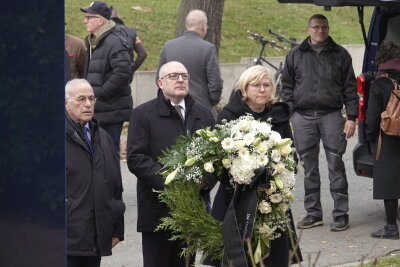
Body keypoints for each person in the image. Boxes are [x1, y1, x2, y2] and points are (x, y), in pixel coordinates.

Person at [207, 65, 302, 266]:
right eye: (256, 85)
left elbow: (291, 155)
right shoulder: (229, 116)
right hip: (235, 198)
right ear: (244, 89)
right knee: (236, 256)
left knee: (273, 257)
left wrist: (280, 174)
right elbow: (218, 161)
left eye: (266, 85)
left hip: (271, 197)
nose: (262, 89)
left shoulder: (279, 116)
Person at [126, 61, 215, 267]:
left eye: (184, 76)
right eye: (173, 76)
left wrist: (204, 181)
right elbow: (136, 158)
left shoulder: (204, 114)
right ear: (160, 83)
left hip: (193, 208)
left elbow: (216, 158)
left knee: (186, 263)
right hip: (157, 209)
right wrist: (172, 182)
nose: (181, 80)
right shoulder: (143, 114)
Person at [281, 14, 358, 231]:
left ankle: (341, 214)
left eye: (324, 27)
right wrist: (291, 111)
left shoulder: (341, 54)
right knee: (309, 168)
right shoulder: (295, 54)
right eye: (316, 27)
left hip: (332, 115)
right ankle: (313, 214)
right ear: (308, 29)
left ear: (328, 28)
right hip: (303, 117)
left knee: (336, 165)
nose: (320, 31)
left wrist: (351, 117)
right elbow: (286, 85)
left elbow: (350, 88)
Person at [65, 78, 125, 267]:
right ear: (66, 103)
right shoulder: (51, 140)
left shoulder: (103, 137)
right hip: (65, 239)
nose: (88, 104)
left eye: (92, 99)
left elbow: (115, 186)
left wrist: (117, 228)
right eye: (81, 99)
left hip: (94, 238)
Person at [80, 1, 133, 157]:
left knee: (109, 155)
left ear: (101, 20)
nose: (85, 20)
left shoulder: (115, 42)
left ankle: (114, 183)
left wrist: (100, 94)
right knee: (98, 155)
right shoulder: (93, 41)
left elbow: (123, 73)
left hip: (111, 111)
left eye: (89, 17)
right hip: (98, 110)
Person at [156, 9, 223, 116]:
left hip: (171, 107)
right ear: (203, 27)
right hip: (201, 107)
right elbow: (215, 83)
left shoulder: (168, 46)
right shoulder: (208, 49)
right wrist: (213, 102)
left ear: (187, 26)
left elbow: (158, 80)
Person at [366, 41, 400, 240]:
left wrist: (371, 138)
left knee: (389, 182)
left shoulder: (379, 83)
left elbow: (371, 117)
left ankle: (391, 227)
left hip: (387, 138)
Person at [110, 7, 148, 74]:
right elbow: (143, 53)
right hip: (125, 76)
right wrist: (131, 70)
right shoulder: (131, 32)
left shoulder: (103, 32)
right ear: (119, 17)